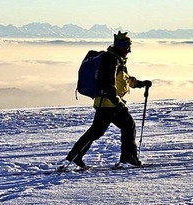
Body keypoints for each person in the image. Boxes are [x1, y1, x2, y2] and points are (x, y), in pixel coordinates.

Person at [65, 31, 152, 169]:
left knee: (97, 131)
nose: (129, 50)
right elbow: (109, 84)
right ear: (120, 46)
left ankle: (75, 156)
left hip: (105, 103)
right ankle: (128, 157)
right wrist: (118, 102)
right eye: (127, 47)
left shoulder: (117, 60)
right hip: (109, 104)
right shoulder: (111, 60)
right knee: (128, 125)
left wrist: (142, 83)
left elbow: (125, 80)